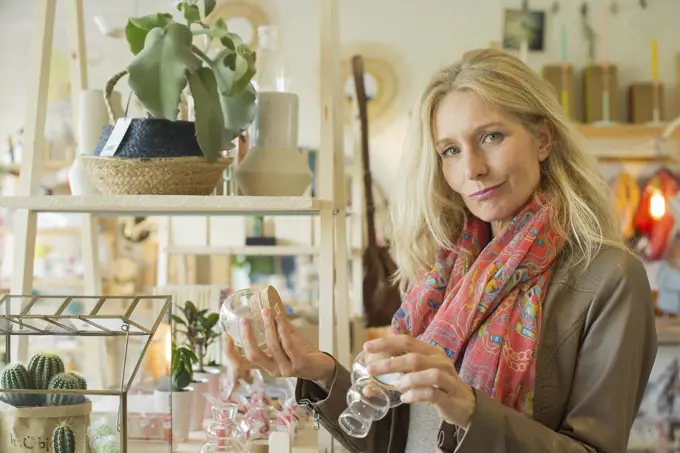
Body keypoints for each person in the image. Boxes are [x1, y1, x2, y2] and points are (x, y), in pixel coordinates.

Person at [224, 48, 658, 452]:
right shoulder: (443, 273)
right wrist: (319, 371)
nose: (472, 168)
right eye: (450, 150)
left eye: (491, 137)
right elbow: (402, 437)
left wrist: (470, 408)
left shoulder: (610, 278)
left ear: (543, 139)